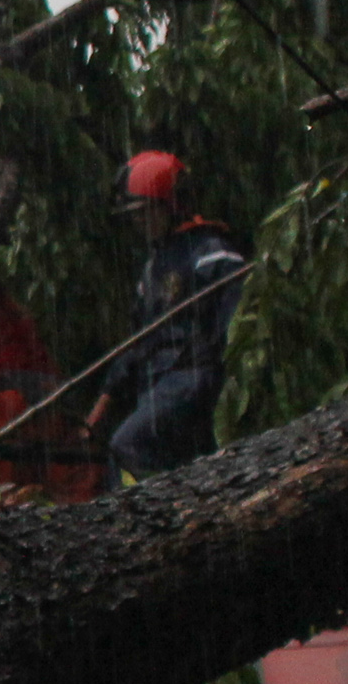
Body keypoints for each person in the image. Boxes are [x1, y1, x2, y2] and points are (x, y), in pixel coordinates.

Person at [92, 150, 249, 479]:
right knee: (115, 461)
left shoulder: (210, 252)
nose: (138, 223)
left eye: (143, 213)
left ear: (169, 204)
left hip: (192, 379)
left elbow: (236, 328)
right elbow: (138, 342)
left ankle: (163, 516)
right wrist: (103, 404)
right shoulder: (153, 268)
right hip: (157, 385)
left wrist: (219, 379)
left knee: (128, 446)